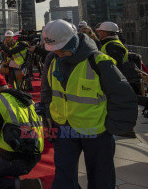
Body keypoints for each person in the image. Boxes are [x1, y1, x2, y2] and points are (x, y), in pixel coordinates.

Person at [41, 19, 137, 188]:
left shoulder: (98, 61)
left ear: (71, 42)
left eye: (60, 50)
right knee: (63, 178)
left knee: (101, 178)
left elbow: (123, 95)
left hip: (96, 130)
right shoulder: (52, 59)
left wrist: (112, 127)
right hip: (63, 127)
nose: (57, 53)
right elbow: (47, 92)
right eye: (54, 50)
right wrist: (48, 117)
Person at [0, 73, 43, 189]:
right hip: (34, 152)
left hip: (15, 157)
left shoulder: (0, 101)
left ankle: (25, 186)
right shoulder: (24, 97)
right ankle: (15, 176)